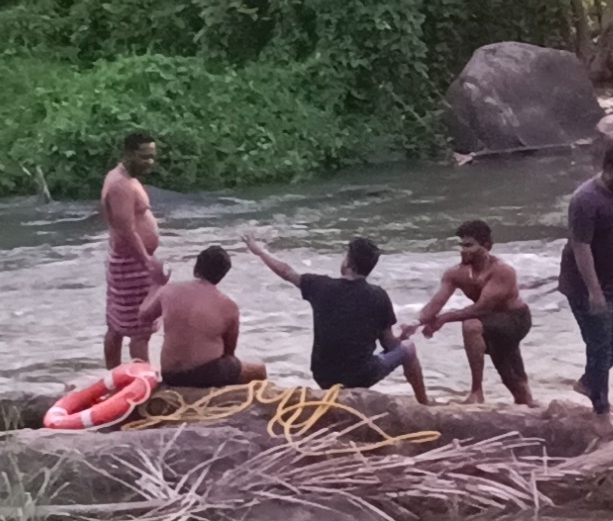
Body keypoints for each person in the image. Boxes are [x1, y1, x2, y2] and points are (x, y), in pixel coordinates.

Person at [246, 234, 428, 403]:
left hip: (323, 376)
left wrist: (260, 252)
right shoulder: (378, 296)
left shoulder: (320, 286)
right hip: (360, 377)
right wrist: (402, 334)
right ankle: (423, 403)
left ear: (349, 263)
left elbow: (286, 272)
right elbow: (390, 345)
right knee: (408, 349)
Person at [559, 143, 613, 417]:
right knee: (599, 343)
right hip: (585, 282)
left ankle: (589, 382)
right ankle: (601, 410)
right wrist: (594, 292)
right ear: (608, 169)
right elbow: (581, 246)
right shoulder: (585, 200)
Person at [412, 220, 533, 406]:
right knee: (513, 382)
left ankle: (476, 392)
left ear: (486, 247)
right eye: (461, 245)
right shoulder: (456, 274)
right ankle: (527, 402)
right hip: (490, 322)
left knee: (471, 325)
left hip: (515, 320)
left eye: (469, 245)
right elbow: (436, 303)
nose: (463, 250)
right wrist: (415, 323)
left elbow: (481, 308)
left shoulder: (502, 271)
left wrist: (443, 319)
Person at [141, 246, 266, 388]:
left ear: (196, 267)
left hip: (170, 374)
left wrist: (157, 284)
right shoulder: (228, 306)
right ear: (222, 275)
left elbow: (144, 316)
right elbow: (229, 352)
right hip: (206, 374)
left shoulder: (169, 290)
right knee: (259, 370)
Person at [101, 131, 168, 368]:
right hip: (132, 264)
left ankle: (113, 376)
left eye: (152, 157)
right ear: (128, 154)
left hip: (126, 261)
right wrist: (148, 264)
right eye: (143, 157)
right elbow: (126, 229)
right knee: (140, 329)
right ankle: (143, 382)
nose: (149, 162)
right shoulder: (120, 184)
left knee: (117, 325)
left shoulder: (125, 177)